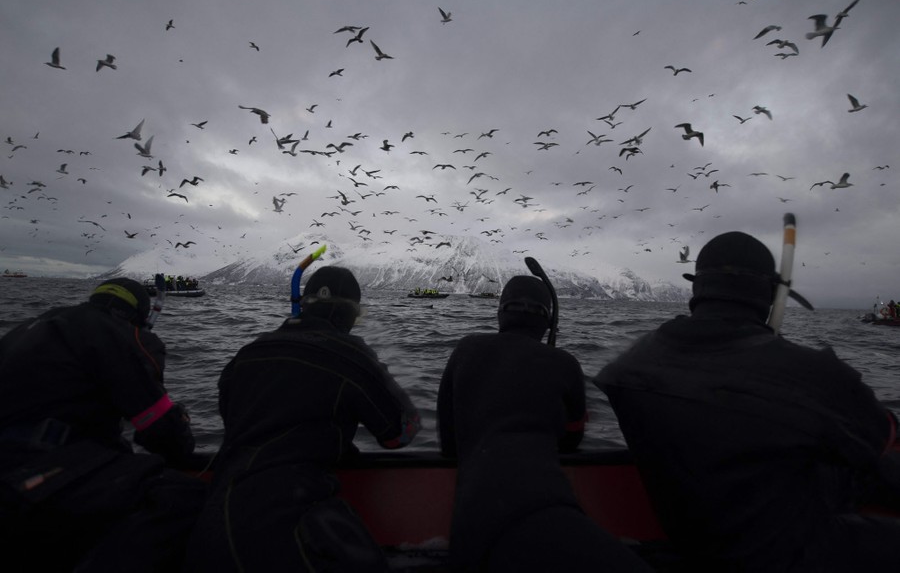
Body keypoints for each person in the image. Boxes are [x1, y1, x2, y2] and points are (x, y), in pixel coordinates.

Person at [595, 231, 900, 572]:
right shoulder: (812, 374)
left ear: (696, 288)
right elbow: (880, 440)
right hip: (796, 554)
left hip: (693, 545)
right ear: (771, 293)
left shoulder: (625, 368)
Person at [184, 265, 421, 572]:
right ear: (347, 315)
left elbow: (235, 422)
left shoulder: (247, 354)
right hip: (289, 527)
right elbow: (398, 434)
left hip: (213, 523)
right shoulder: (350, 356)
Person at [438, 275, 653, 572]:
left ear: (501, 313)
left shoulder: (465, 350)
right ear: (548, 323)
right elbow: (571, 440)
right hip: (544, 508)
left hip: (470, 525)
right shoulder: (564, 363)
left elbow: (449, 443)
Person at [0, 277, 203, 572]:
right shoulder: (124, 336)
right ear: (138, 314)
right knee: (186, 499)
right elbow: (159, 430)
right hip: (40, 470)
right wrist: (183, 446)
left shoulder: (29, 327)